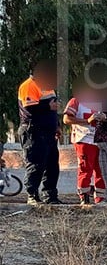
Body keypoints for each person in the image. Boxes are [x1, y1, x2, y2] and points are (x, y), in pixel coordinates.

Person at [17, 61, 63, 204]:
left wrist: (57, 125)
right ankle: (32, 195)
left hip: (48, 132)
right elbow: (29, 109)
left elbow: (53, 109)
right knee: (36, 164)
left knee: (51, 165)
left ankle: (50, 196)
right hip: (34, 131)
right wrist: (47, 105)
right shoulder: (28, 85)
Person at [63, 90, 106, 204]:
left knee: (102, 170)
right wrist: (87, 120)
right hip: (84, 140)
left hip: (100, 141)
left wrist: (105, 118)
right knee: (86, 169)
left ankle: (101, 198)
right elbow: (66, 119)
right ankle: (84, 197)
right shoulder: (76, 101)